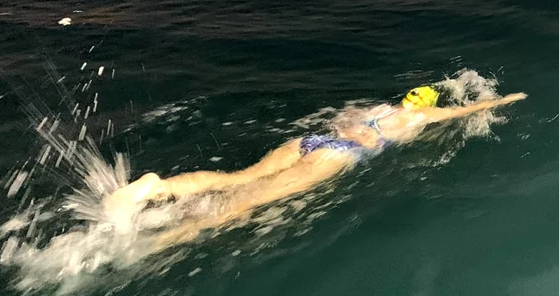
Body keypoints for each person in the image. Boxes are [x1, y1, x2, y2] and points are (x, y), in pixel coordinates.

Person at [103, 85, 527, 249]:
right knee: (244, 204)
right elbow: (473, 109)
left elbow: (339, 121)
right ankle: (161, 242)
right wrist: (506, 101)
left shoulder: (374, 106)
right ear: (427, 105)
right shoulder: (421, 118)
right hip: (337, 154)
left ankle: (159, 189)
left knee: (241, 178)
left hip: (309, 142)